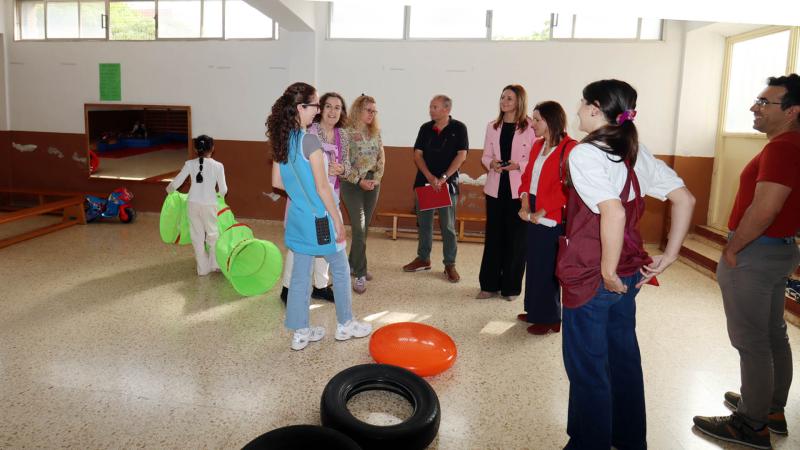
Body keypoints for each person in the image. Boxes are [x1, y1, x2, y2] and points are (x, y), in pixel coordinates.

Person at [557, 79, 694, 449]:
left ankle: (589, 443)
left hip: (594, 275)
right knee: (623, 359)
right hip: (630, 272)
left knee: (587, 367)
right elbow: (685, 199)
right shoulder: (634, 150)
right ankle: (628, 439)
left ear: (595, 108)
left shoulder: (585, 154)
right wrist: (670, 255)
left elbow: (613, 212)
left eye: (582, 102)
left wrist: (606, 271)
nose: (577, 109)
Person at [693, 74, 800, 449]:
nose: (755, 107)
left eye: (765, 102)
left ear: (792, 111)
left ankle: (751, 425)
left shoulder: (782, 148)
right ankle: (769, 407)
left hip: (756, 250)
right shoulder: (793, 145)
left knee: (752, 340)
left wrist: (733, 248)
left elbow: (766, 208)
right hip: (780, 249)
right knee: (772, 333)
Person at [268, 82, 372, 351]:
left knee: (300, 275)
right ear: (300, 107)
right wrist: (337, 219)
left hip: (298, 219)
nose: (317, 110)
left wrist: (301, 193)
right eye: (314, 105)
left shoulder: (283, 139)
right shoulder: (310, 140)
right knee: (340, 268)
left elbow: (277, 182)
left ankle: (301, 331)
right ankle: (346, 323)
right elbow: (323, 187)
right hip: (320, 219)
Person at [279, 92, 349, 303]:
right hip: (309, 196)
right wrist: (325, 173)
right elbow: (300, 169)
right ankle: (287, 287)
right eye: (328, 106)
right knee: (301, 243)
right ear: (320, 109)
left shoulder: (343, 135)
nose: (332, 111)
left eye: (337, 107)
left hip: (331, 193)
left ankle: (320, 285)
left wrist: (341, 169)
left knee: (325, 239)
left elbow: (347, 165)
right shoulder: (309, 132)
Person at [517, 101, 577, 335]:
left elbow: (568, 188)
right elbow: (527, 177)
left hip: (552, 215)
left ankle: (550, 318)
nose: (532, 124)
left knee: (547, 266)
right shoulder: (537, 145)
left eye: (537, 120)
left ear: (551, 121)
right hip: (532, 206)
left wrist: (542, 211)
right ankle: (534, 311)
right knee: (533, 263)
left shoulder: (570, 148)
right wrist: (524, 202)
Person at [477, 84, 535, 300]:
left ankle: (511, 288)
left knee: (516, 241)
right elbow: (485, 156)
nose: (504, 101)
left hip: (519, 192)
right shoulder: (492, 126)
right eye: (502, 97)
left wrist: (518, 165)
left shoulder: (530, 127)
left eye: (509, 98)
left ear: (519, 101)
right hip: (495, 189)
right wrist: (491, 163)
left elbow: (535, 159)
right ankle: (488, 285)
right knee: (494, 237)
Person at [402, 95, 468, 282]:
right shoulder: (425, 128)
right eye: (430, 107)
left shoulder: (459, 128)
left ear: (447, 109)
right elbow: (417, 155)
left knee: (448, 226)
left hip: (447, 185)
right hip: (425, 183)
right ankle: (423, 258)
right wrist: (430, 177)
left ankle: (450, 264)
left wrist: (444, 177)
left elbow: (461, 155)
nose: (431, 110)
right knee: (424, 224)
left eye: (435, 107)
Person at [341, 94, 385, 294]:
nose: (372, 114)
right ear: (358, 110)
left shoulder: (375, 132)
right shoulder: (345, 133)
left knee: (364, 228)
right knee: (359, 227)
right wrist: (359, 181)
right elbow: (343, 164)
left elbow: (381, 158)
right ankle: (360, 273)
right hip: (352, 184)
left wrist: (376, 179)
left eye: (374, 111)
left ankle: (352, 263)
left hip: (372, 183)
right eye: (368, 110)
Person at [166, 135, 227, 276]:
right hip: (210, 204)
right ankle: (215, 265)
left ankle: (202, 269)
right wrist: (219, 197)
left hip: (193, 203)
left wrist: (168, 191)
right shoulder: (218, 166)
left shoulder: (189, 164)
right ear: (212, 148)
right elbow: (223, 189)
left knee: (197, 236)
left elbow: (176, 183)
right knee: (212, 234)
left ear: (195, 149)